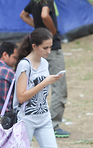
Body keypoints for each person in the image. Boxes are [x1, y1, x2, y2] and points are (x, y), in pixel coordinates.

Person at [0, 28, 89, 148]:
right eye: (45, 48)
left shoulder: (45, 64)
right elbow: (21, 96)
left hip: (44, 119)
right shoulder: (24, 65)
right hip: (26, 120)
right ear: (34, 46)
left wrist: (47, 82)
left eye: (50, 47)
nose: (48, 51)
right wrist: (45, 82)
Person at [20, 0, 70, 138]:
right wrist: (51, 32)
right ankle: (52, 124)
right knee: (59, 87)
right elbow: (44, 15)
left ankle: (34, 123)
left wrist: (38, 30)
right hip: (52, 50)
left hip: (39, 49)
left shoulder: (34, 1)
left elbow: (23, 15)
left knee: (35, 85)